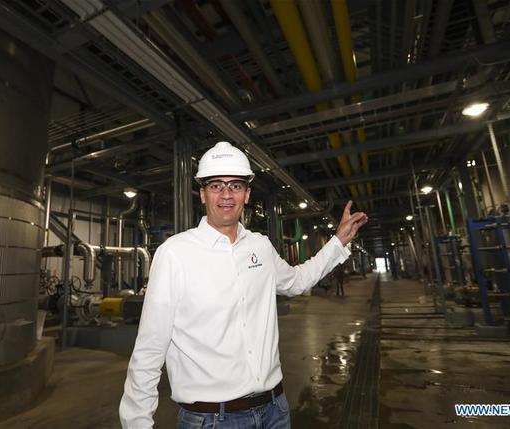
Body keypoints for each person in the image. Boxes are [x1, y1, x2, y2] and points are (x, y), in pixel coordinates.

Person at [119, 141, 368, 428]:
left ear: (247, 194)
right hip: (211, 419)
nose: (226, 194)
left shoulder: (260, 247)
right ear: (202, 193)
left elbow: (297, 281)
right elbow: (150, 347)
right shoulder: (175, 253)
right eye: (216, 185)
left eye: (235, 185)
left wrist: (338, 243)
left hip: (275, 410)